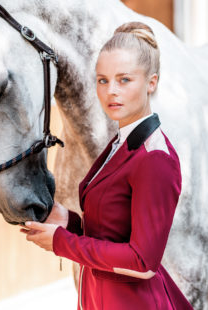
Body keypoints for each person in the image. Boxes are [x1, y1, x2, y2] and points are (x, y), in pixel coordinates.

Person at [20, 21, 194, 310]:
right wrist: (66, 220)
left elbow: (142, 261)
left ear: (152, 82)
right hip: (99, 297)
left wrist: (63, 243)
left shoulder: (155, 158)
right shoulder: (120, 143)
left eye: (124, 79)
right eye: (103, 80)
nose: (111, 90)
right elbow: (110, 231)